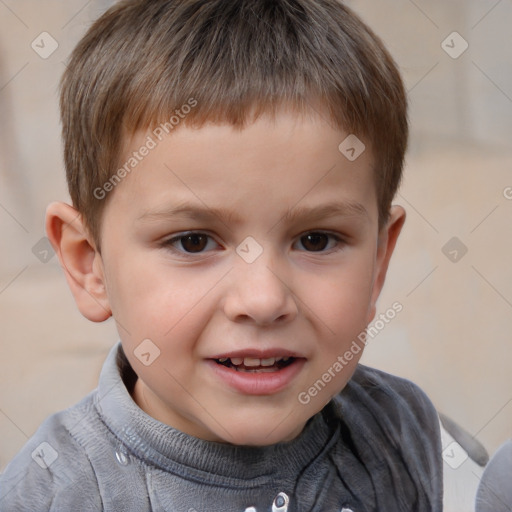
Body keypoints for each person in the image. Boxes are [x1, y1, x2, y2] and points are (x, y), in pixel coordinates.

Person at [0, 0, 443, 510]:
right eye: (193, 241)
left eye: (316, 240)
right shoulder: (54, 493)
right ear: (89, 264)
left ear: (379, 264)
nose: (263, 299)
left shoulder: (397, 428)